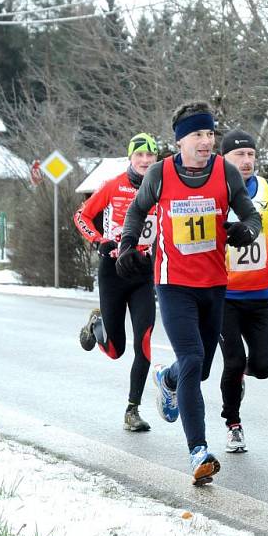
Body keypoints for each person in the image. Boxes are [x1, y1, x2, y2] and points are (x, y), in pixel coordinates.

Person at [116, 102, 261, 486]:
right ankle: (199, 451)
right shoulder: (161, 174)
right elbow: (136, 211)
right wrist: (129, 245)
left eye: (210, 134)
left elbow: (251, 215)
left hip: (214, 284)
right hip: (174, 284)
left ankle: (167, 379)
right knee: (194, 359)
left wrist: (246, 230)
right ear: (180, 140)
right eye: (197, 135)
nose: (206, 141)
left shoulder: (225, 172)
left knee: (201, 367)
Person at [74, 132, 159, 433]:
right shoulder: (113, 186)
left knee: (145, 340)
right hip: (113, 271)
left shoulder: (162, 188)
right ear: (131, 158)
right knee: (115, 350)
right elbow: (82, 216)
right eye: (140, 156)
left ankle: (132, 410)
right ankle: (96, 325)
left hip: (143, 273)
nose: (146, 161)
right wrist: (99, 240)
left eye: (150, 156)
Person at [218, 130, 268, 454]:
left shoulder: (266, 188)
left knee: (262, 366)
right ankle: (233, 425)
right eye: (240, 156)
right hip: (224, 297)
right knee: (233, 362)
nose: (247, 161)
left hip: (260, 295)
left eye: (251, 155)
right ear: (224, 159)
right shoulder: (216, 191)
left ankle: (238, 378)